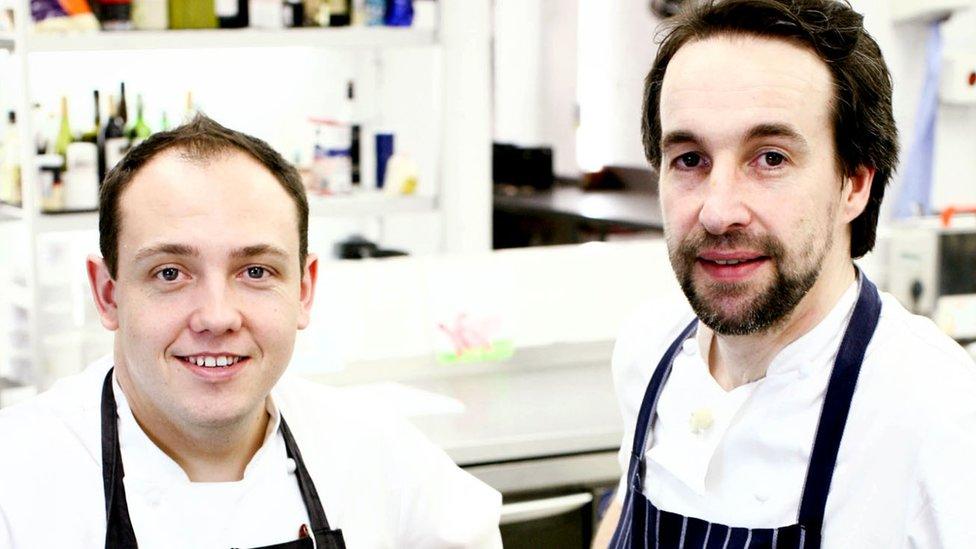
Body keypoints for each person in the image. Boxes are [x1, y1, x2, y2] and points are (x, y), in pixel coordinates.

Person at [0, 115, 502, 548]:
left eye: (256, 271)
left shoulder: (379, 456)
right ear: (108, 294)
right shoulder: (17, 483)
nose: (217, 317)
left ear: (304, 291)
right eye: (170, 273)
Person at [592, 0, 976, 547]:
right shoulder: (648, 350)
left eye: (770, 158)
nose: (718, 210)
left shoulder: (937, 414)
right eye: (689, 159)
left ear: (854, 183)